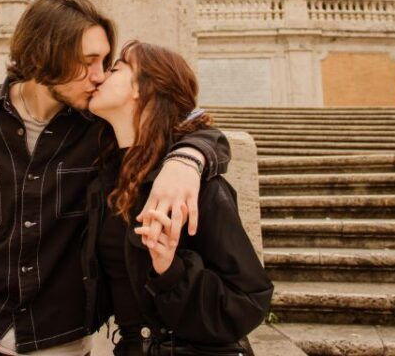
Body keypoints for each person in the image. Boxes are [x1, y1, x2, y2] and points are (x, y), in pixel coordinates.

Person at [0, 0, 230, 355]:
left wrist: (188, 159)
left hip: (61, 334)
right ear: (41, 54)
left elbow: (195, 126)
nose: (99, 76)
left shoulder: (99, 125)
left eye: (105, 61)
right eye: (87, 61)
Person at [86, 40, 273, 355]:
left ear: (143, 89)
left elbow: (249, 302)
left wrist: (171, 271)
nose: (101, 76)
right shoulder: (107, 178)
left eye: (115, 68)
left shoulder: (195, 187)